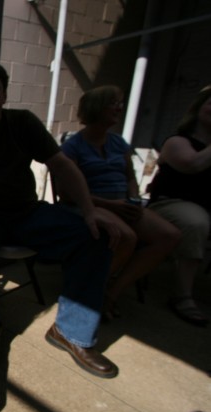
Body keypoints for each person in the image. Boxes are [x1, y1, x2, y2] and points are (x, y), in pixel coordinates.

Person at [0, 62, 123, 378]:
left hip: (28, 213)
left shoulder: (21, 123)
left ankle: (72, 332)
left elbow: (62, 166)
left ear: (4, 94)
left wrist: (90, 211)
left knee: (93, 234)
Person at [60, 86, 181, 319]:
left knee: (170, 236)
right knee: (127, 237)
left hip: (124, 203)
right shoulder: (73, 146)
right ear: (96, 108)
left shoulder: (118, 143)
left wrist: (133, 199)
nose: (118, 108)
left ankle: (111, 292)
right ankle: (88, 293)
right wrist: (111, 205)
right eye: (112, 103)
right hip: (92, 205)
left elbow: (129, 178)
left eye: (119, 103)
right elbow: (67, 194)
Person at [147, 85, 211, 327]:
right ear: (198, 108)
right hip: (170, 205)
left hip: (206, 207)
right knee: (196, 220)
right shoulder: (176, 141)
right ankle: (183, 296)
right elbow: (192, 165)